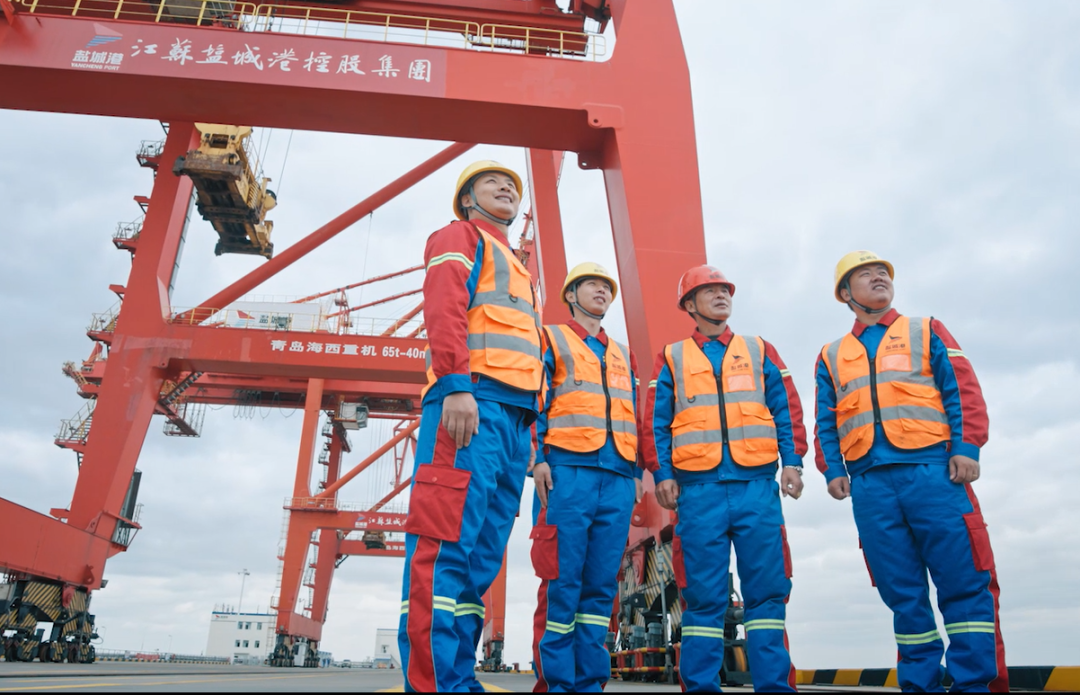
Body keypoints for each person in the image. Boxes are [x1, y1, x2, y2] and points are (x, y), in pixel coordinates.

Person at [814, 251, 1008, 693]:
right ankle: (920, 685)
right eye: (865, 274)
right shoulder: (831, 355)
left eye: (883, 272)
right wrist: (832, 469)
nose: (878, 277)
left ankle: (974, 685)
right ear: (845, 294)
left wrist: (967, 447)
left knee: (964, 582)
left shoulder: (926, 330)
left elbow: (962, 390)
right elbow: (826, 419)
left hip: (935, 475)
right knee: (903, 595)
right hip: (870, 486)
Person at [398, 160, 544, 692]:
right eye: (491, 182)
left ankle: (457, 678)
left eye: (512, 185)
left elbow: (527, 357)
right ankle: (435, 684)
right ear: (467, 199)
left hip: (512, 422)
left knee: (480, 559)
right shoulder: (459, 236)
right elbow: (444, 308)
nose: (506, 187)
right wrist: (456, 385)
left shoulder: (520, 269)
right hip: (471, 406)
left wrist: (531, 437)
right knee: (444, 549)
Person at [643, 265, 806, 693]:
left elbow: (786, 408)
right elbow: (655, 421)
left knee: (768, 594)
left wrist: (793, 462)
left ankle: (775, 687)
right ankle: (701, 687)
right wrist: (662, 474)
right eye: (709, 291)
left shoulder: (759, 350)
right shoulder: (672, 357)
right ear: (689, 305)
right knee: (703, 598)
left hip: (757, 488)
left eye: (725, 290)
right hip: (699, 492)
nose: (721, 296)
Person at [529, 262, 643, 693]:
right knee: (561, 581)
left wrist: (637, 471)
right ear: (570, 295)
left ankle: (590, 683)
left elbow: (635, 413)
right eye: (592, 284)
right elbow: (536, 399)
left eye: (606, 287)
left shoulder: (623, 353)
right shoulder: (551, 339)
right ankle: (557, 684)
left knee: (599, 589)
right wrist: (538, 459)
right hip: (566, 474)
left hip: (617, 477)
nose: (602, 291)